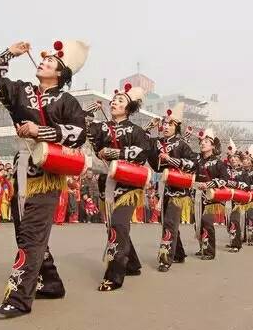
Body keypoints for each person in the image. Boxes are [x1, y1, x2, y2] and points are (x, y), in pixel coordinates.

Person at [0, 39, 89, 319]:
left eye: (51, 61)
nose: (43, 62)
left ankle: (18, 298)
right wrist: (9, 53)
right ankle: (51, 283)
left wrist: (40, 131)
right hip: (21, 169)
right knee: (24, 232)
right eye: (43, 59)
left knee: (31, 235)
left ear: (61, 73)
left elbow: (79, 134)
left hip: (48, 175)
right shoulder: (20, 91)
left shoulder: (67, 101)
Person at [88, 84, 148, 291]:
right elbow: (84, 133)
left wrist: (113, 153)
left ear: (129, 107)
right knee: (113, 226)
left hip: (129, 186)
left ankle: (114, 275)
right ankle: (131, 263)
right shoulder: (101, 127)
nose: (114, 102)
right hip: (107, 185)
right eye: (113, 100)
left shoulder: (136, 131)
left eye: (120, 100)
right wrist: (90, 112)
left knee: (119, 225)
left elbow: (141, 154)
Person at [148, 102, 196, 272]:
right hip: (164, 189)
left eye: (170, 124)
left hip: (178, 190)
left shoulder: (181, 145)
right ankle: (179, 254)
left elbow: (193, 163)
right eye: (165, 123)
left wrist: (171, 160)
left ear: (177, 127)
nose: (166, 126)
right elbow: (142, 143)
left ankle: (165, 258)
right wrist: (148, 126)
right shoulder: (157, 143)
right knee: (168, 223)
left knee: (169, 222)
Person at [192, 128, 228, 260]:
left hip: (211, 198)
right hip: (196, 197)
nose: (202, 143)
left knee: (207, 222)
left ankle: (209, 251)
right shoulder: (196, 160)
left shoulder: (219, 163)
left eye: (206, 141)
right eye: (201, 141)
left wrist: (209, 185)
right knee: (198, 223)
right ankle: (202, 246)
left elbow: (224, 180)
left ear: (213, 145)